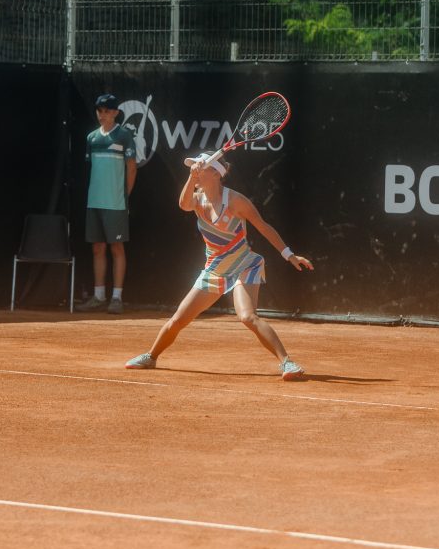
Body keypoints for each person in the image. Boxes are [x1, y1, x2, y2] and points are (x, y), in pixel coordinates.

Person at [125, 152, 314, 380]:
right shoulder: (197, 199)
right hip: (214, 270)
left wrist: (289, 255)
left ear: (216, 173)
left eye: (200, 167)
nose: (195, 170)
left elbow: (263, 227)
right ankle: (151, 357)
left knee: (247, 316)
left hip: (245, 265)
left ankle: (287, 362)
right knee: (178, 320)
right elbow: (183, 204)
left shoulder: (236, 201)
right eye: (194, 167)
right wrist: (192, 178)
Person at [77, 93, 137, 314]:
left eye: (107, 111)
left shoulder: (124, 136)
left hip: (116, 203)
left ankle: (117, 298)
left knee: (117, 248)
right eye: (99, 111)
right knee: (97, 248)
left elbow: (132, 168)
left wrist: (124, 196)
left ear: (115, 113)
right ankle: (99, 296)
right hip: (94, 202)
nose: (102, 115)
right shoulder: (92, 138)